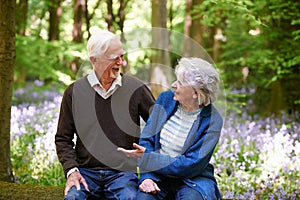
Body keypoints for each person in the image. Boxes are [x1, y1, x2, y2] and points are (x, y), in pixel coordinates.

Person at [55, 30, 155, 200]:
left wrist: (149, 168)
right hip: (86, 173)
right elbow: (63, 139)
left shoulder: (136, 89)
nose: (121, 62)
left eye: (122, 57)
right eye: (114, 58)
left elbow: (160, 129)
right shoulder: (74, 92)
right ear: (94, 60)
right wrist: (72, 171)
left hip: (123, 175)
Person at [118, 57, 223, 200]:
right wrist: (146, 177)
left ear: (195, 93)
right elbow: (146, 141)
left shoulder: (213, 120)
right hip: (157, 174)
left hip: (193, 179)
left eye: (180, 83)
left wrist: (150, 158)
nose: (173, 85)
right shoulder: (165, 100)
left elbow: (191, 165)